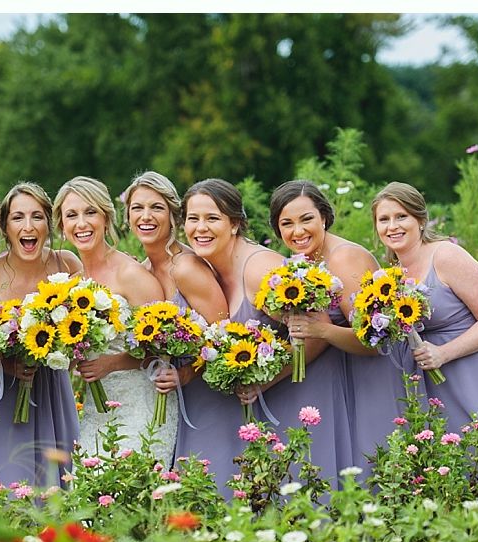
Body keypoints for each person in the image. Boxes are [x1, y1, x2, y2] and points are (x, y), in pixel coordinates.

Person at [182, 178, 353, 492]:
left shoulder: (259, 269)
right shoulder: (210, 267)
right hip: (270, 402)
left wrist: (266, 379)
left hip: (303, 390)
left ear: (234, 224)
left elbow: (316, 330)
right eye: (193, 219)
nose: (201, 227)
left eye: (212, 218)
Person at [372, 181, 478, 457]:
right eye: (384, 219)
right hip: (436, 378)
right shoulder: (391, 275)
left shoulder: (445, 255)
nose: (393, 226)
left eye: (402, 216)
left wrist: (443, 353)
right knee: (458, 462)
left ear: (420, 220)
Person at [271, 180, 406, 481]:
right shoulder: (302, 264)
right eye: (287, 223)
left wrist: (321, 330)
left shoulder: (343, 258)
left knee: (377, 468)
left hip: (372, 378)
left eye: (306, 219)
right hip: (342, 378)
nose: (298, 231)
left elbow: (373, 341)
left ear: (324, 217)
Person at [123, 170, 238, 492]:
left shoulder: (186, 267)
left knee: (210, 487)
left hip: (206, 395)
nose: (146, 217)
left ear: (173, 214)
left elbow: (223, 337)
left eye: (156, 208)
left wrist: (186, 374)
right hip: (167, 401)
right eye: (137, 208)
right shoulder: (142, 272)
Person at [0, 182, 82, 489]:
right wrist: (8, 364)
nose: (28, 227)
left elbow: (79, 331)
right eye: (17, 218)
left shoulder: (67, 265)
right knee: (8, 478)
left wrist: (64, 354)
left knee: (61, 481)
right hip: (1, 396)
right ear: (5, 227)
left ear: (49, 222)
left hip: (53, 389)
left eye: (37, 217)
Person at [53, 176, 171, 462]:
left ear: (106, 218)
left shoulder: (131, 275)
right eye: (72, 215)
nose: (81, 223)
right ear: (62, 226)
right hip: (97, 410)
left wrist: (113, 363)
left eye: (90, 212)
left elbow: (165, 349)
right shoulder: (71, 284)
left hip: (142, 406)